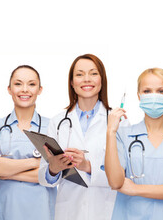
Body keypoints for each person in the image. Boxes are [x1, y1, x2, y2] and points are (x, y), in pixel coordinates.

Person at [105, 68, 163, 219]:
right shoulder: (123, 136)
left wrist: (135, 189)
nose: (154, 97)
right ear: (139, 96)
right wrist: (110, 132)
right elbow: (115, 182)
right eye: (147, 91)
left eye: (160, 91)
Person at [38, 54, 120, 220]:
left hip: (106, 211)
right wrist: (53, 169)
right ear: (72, 82)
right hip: (69, 211)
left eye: (93, 73)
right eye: (80, 74)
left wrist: (87, 166)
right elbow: (44, 178)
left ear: (102, 80)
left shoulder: (117, 120)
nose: (86, 79)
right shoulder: (58, 122)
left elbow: (122, 176)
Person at [0, 65, 55, 220]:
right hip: (5, 210)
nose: (25, 89)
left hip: (42, 212)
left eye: (32, 84)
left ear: (40, 90)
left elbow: (52, 175)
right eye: (18, 84)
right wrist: (37, 162)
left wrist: (6, 171)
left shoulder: (52, 126)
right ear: (9, 89)